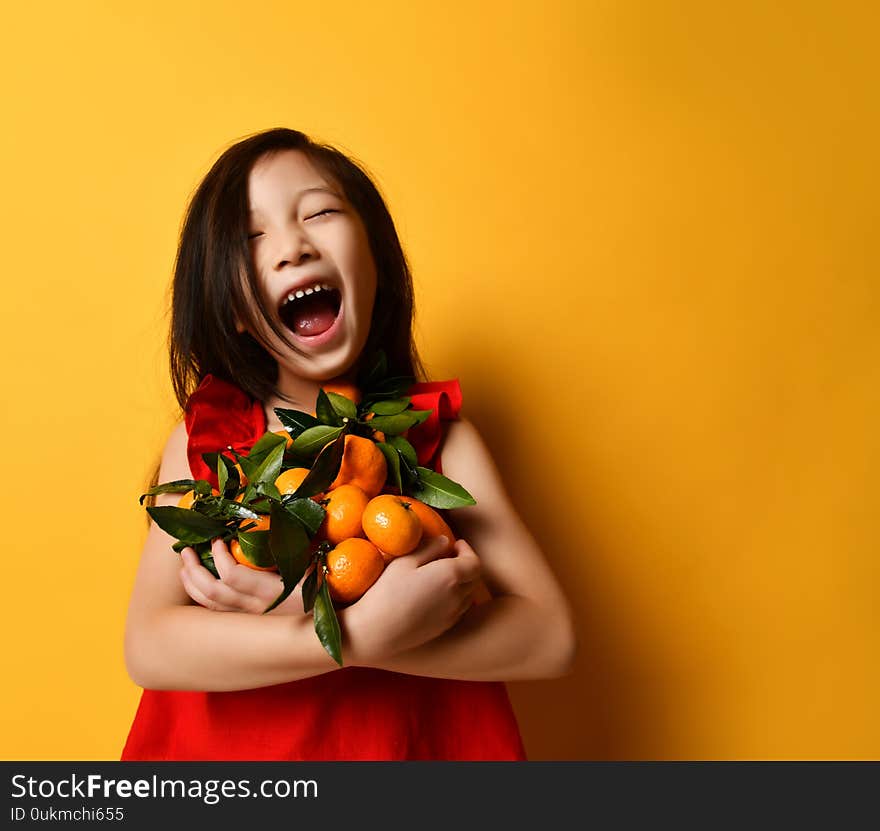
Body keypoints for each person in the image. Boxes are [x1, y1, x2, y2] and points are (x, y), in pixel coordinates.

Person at [121, 127, 576, 761]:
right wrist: (354, 634)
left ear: (375, 262)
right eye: (252, 238)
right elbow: (149, 646)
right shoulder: (211, 443)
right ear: (234, 311)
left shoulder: (438, 442)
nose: (292, 247)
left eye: (320, 212)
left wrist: (322, 617)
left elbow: (551, 637)